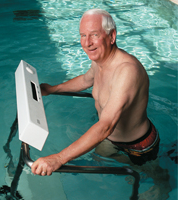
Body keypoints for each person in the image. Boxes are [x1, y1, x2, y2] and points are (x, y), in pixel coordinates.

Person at [31, 9, 171, 199]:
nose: (87, 43)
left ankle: (164, 181)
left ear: (111, 36)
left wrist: (58, 158)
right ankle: (136, 167)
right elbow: (85, 80)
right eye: (83, 36)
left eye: (94, 35)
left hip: (139, 146)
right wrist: (52, 89)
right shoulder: (100, 60)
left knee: (158, 180)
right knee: (99, 156)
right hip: (112, 138)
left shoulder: (126, 71)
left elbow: (105, 126)